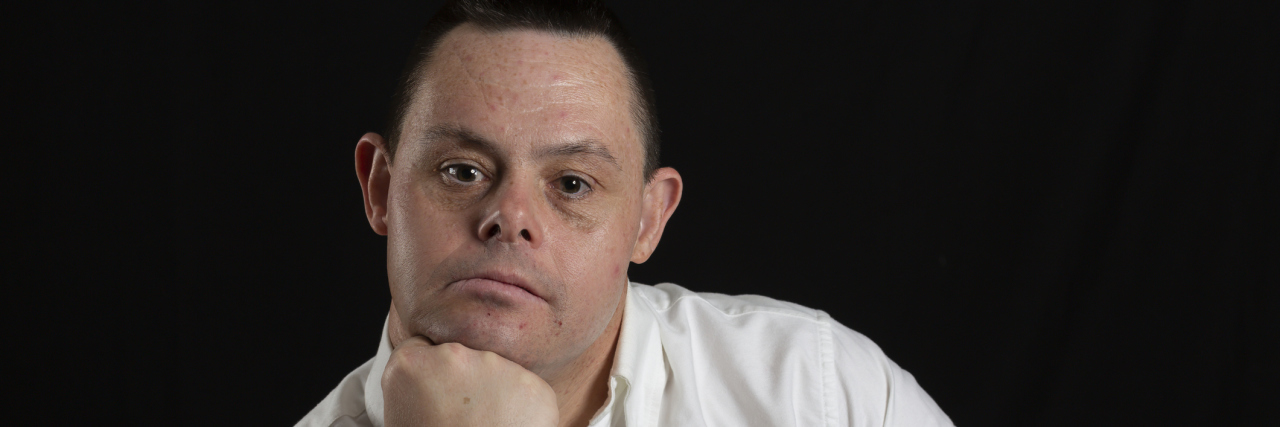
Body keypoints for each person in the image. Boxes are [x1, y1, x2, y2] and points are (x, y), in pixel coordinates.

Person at [298, 1, 953, 426]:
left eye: (573, 183)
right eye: (463, 170)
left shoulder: (821, 393)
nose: (511, 216)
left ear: (649, 219)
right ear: (380, 188)